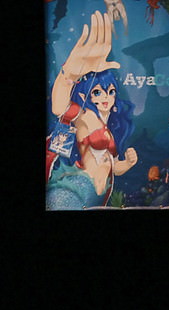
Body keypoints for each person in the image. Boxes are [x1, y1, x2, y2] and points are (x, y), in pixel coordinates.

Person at [46, 11, 138, 208]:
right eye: (97, 92)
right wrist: (69, 73)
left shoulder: (110, 126)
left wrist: (128, 163)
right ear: (84, 96)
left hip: (99, 194)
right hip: (74, 191)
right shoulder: (85, 116)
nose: (106, 97)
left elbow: (113, 166)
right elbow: (59, 107)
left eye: (110, 91)